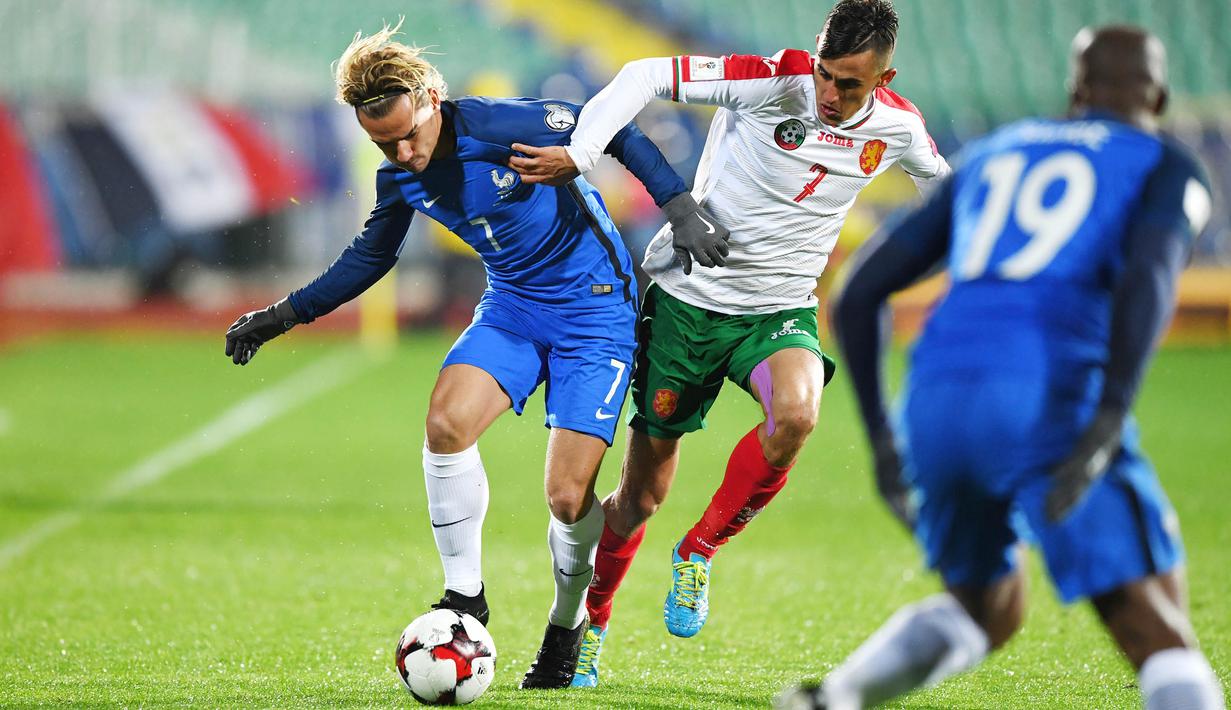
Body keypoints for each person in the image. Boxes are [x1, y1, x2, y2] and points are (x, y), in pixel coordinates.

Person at [222, 21, 729, 690]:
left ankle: (567, 625)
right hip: (512, 306)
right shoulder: (398, 177)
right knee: (445, 423)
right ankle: (464, 596)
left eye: (408, 135)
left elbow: (618, 130)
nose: (402, 152)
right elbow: (370, 257)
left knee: (566, 497)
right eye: (383, 143)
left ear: (431, 97)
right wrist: (283, 314)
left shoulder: (501, 124)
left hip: (595, 311)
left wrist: (679, 208)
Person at [777, 24, 1222, 710]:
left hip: (936, 401)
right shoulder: (1165, 166)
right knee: (1152, 624)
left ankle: (831, 699)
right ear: (1158, 99)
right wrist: (1108, 417)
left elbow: (858, 291)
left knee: (986, 604)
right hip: (1046, 398)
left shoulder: (992, 153)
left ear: (1074, 92)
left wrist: (884, 442)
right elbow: (1149, 282)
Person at [509, 0, 948, 687]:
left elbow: (950, 197)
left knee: (796, 415)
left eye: (849, 85)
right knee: (639, 497)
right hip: (688, 306)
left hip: (779, 312)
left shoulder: (898, 127)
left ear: (883, 78)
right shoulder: (771, 81)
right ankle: (592, 622)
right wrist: (582, 152)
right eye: (825, 74)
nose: (829, 94)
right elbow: (643, 73)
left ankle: (699, 549)